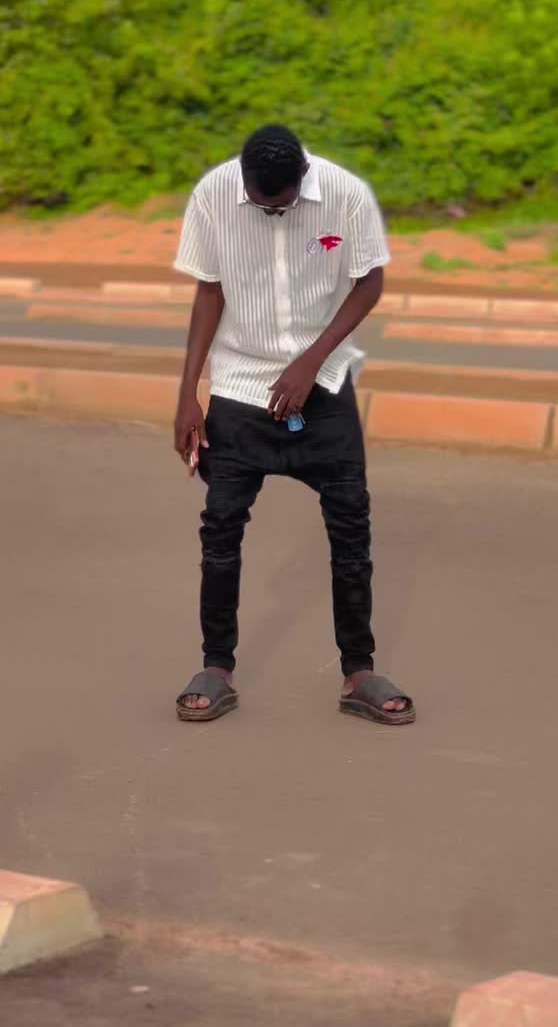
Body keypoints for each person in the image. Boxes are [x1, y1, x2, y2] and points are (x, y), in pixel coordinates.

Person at [173, 125, 415, 727]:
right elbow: (209, 291)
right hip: (239, 387)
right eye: (261, 205)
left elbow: (369, 281)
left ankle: (358, 672)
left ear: (303, 177)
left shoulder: (346, 194)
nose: (271, 213)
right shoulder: (213, 195)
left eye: (280, 205)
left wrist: (311, 360)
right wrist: (188, 394)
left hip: (323, 386)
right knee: (220, 528)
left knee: (351, 527)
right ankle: (216, 667)